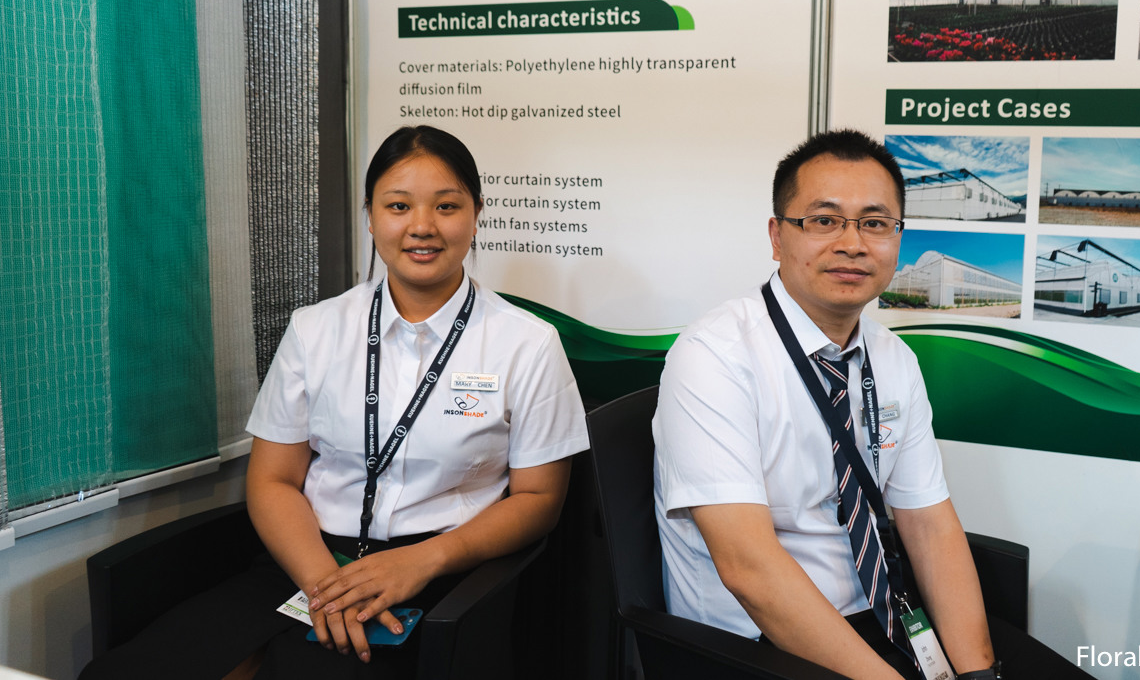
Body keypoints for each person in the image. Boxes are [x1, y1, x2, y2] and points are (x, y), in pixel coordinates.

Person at [81, 125, 588, 679]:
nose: (422, 226)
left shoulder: (527, 343)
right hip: (306, 561)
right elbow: (273, 479)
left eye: (446, 206)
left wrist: (423, 560)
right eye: (398, 206)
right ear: (370, 216)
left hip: (442, 577)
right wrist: (325, 587)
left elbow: (539, 499)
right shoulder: (316, 329)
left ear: (476, 214)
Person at [653, 129, 1086, 680]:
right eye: (824, 220)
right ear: (778, 237)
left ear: (897, 239)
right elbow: (750, 570)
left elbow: (930, 526)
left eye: (875, 224)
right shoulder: (715, 355)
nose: (853, 244)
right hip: (762, 644)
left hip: (887, 612)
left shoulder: (893, 356)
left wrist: (978, 674)